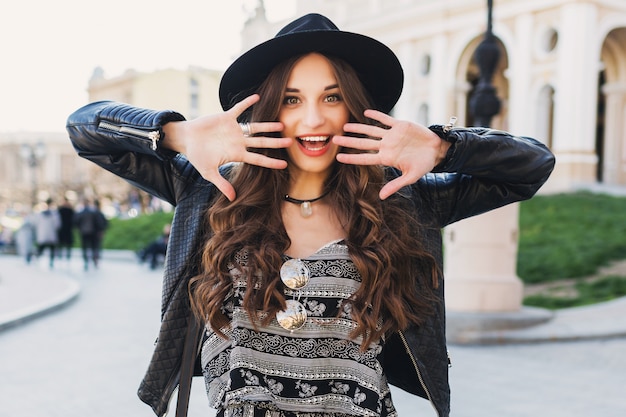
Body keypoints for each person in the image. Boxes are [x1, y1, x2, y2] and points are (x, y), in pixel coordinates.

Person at [66, 13, 555, 417]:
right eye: (293, 99)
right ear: (269, 110)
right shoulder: (212, 188)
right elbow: (85, 129)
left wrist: (445, 147)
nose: (314, 119)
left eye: (332, 97)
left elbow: (531, 168)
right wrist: (173, 134)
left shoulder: (400, 197)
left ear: (355, 109)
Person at [74, 199, 108, 270]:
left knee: (85, 247)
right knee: (94, 247)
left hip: (84, 232)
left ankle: (86, 261)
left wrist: (79, 229)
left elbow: (76, 222)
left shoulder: (81, 213)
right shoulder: (94, 212)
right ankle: (94, 259)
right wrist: (100, 230)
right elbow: (100, 222)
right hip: (93, 232)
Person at [34, 198, 61, 268]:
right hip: (51, 234)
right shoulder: (54, 214)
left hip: (43, 233)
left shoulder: (40, 214)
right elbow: (57, 224)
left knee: (41, 247)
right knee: (51, 248)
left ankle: (37, 258)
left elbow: (36, 223)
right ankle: (50, 261)